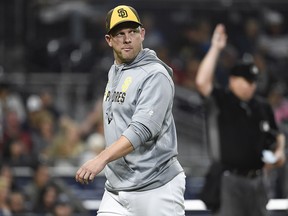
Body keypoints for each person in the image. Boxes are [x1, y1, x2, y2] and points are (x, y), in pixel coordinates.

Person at [75, 5, 186, 216]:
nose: (127, 39)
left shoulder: (155, 74)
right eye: (120, 34)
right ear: (109, 40)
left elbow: (141, 130)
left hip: (156, 187)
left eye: (132, 32)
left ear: (142, 34)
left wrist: (101, 158)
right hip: (117, 189)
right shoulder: (115, 71)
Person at [195, 24, 286, 216]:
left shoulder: (261, 106)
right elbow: (202, 82)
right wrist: (216, 48)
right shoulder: (222, 100)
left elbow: (277, 135)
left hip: (259, 180)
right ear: (233, 80)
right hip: (230, 180)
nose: (250, 85)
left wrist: (278, 152)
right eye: (246, 80)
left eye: (253, 81)